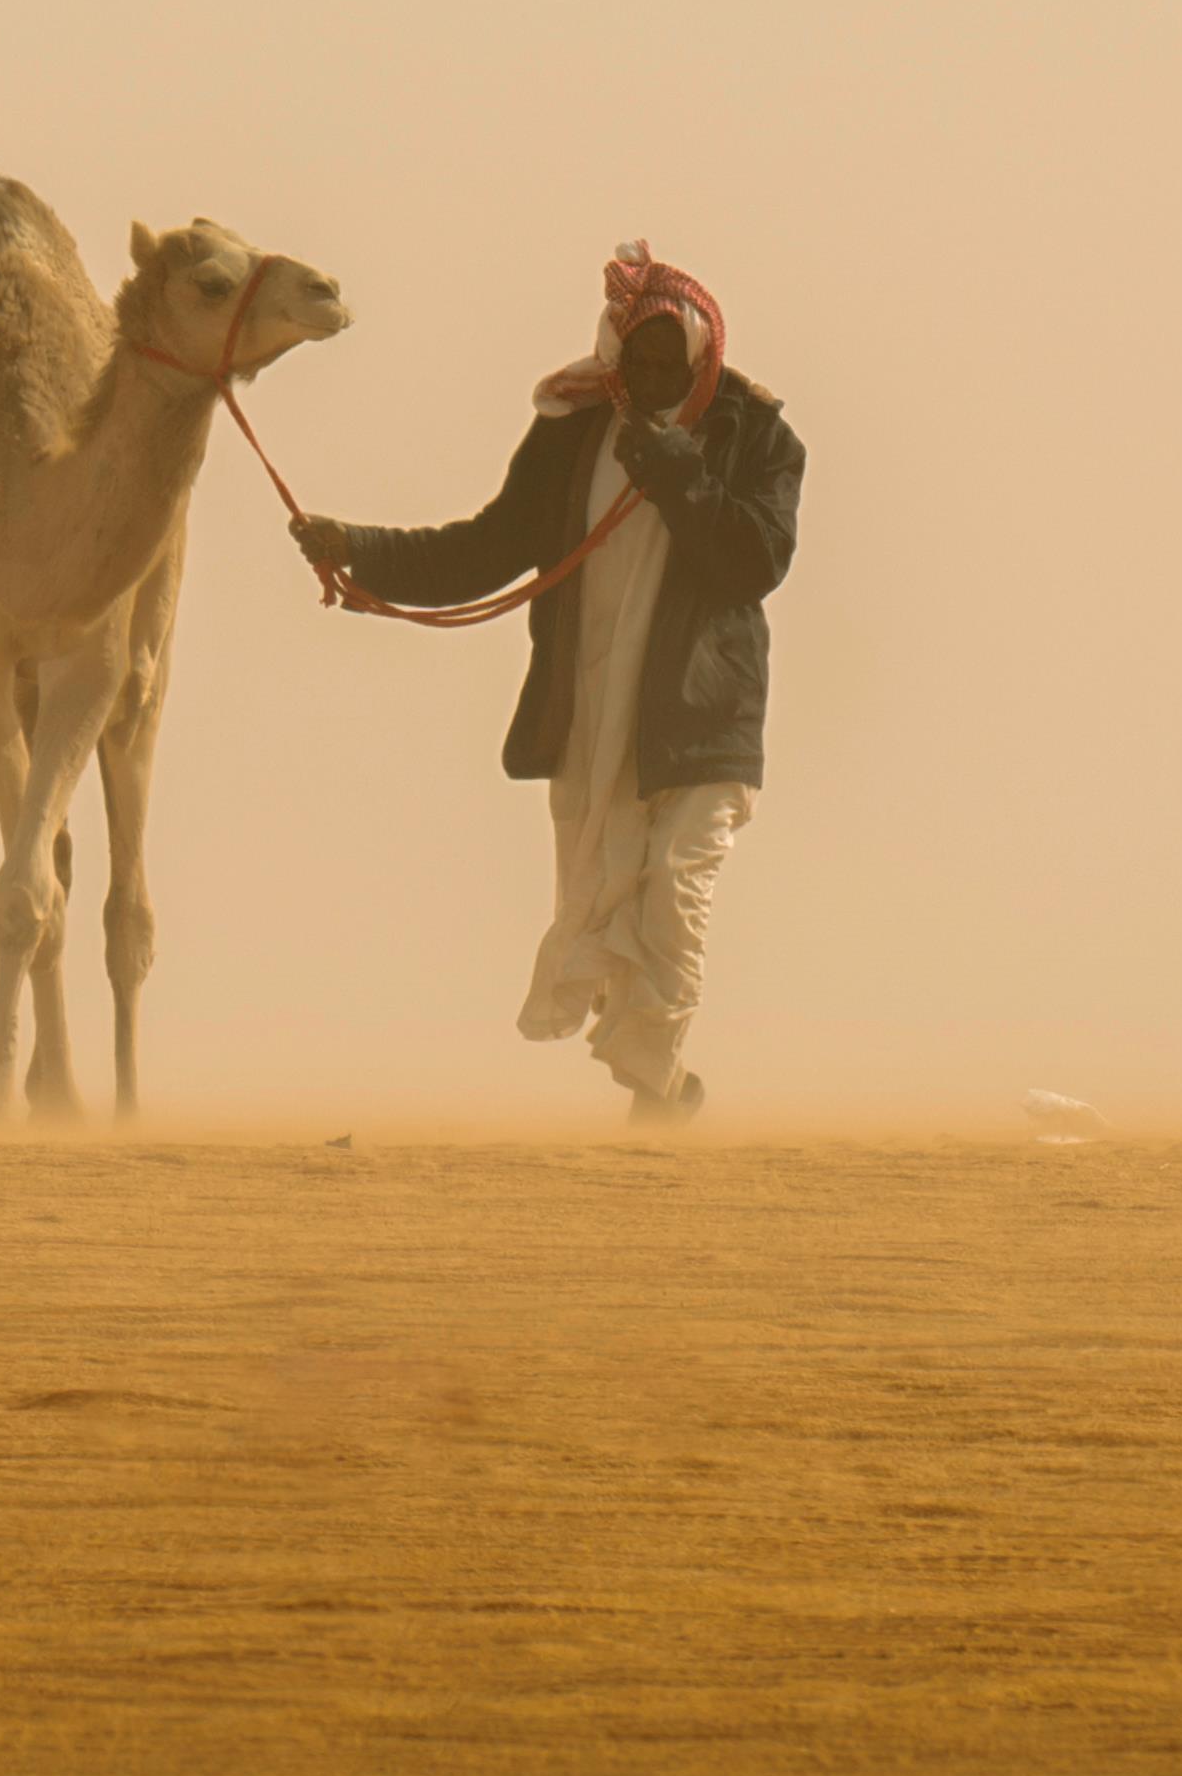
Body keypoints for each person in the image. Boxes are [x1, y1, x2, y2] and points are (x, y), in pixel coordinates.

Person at [292, 244, 803, 1123]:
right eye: (633, 359)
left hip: (699, 720)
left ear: (698, 356)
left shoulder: (756, 436)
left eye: (664, 362)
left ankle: (653, 1099)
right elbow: (488, 547)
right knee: (601, 901)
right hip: (592, 714)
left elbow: (754, 561)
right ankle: (667, 1085)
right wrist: (358, 548)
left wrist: (676, 470)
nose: (647, 376)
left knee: (676, 891)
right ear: (613, 356)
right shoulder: (574, 434)